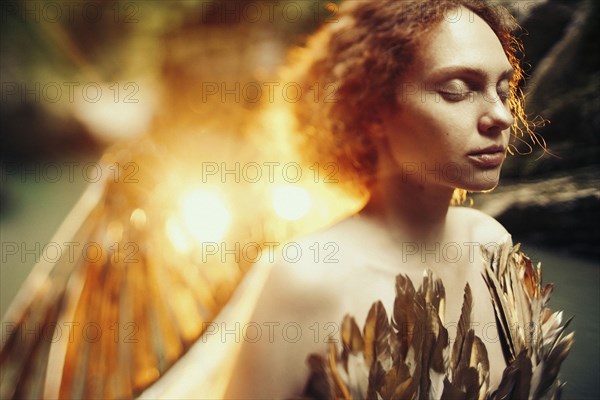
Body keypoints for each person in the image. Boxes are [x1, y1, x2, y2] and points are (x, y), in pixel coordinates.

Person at [224, 0, 570, 398]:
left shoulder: (490, 246)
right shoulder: (307, 278)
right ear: (372, 108)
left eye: (503, 89)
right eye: (457, 90)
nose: (501, 115)